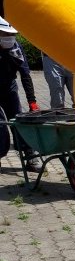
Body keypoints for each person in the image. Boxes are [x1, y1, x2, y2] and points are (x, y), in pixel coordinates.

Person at [0, 17, 42, 171]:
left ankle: (30, 157)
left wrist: (32, 101)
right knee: (0, 126)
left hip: (9, 87)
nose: (9, 38)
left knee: (18, 119)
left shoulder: (15, 48)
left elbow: (25, 75)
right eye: (5, 34)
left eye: (12, 35)